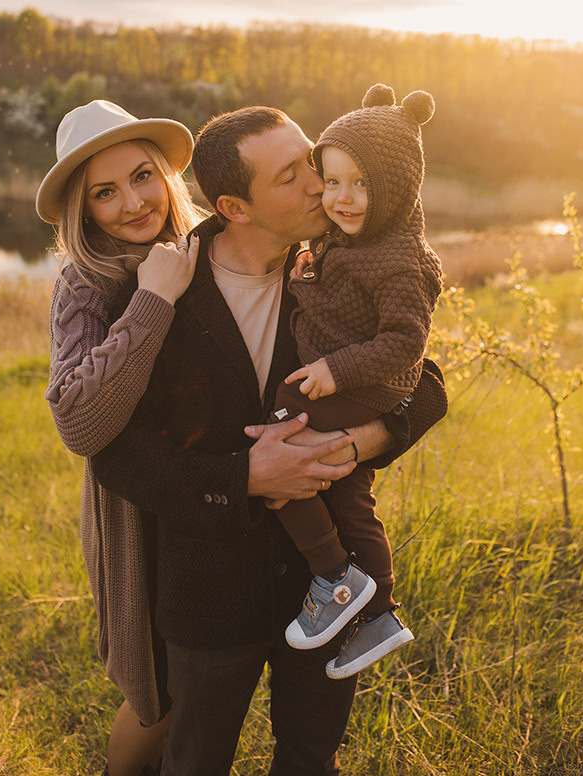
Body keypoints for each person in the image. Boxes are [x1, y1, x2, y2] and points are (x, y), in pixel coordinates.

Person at [91, 104, 448, 776]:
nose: (321, 184)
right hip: (210, 588)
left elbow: (424, 382)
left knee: (310, 758)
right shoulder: (161, 290)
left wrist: (362, 442)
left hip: (332, 585)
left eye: (313, 161)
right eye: (293, 176)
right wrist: (242, 479)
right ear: (236, 206)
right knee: (195, 759)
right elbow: (118, 453)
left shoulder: (341, 263)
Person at [35, 99, 207, 776]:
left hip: (228, 497)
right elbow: (79, 420)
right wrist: (153, 299)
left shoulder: (214, 252)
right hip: (140, 516)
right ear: (84, 211)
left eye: (141, 176)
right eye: (105, 193)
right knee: (156, 697)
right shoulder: (84, 284)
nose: (133, 203)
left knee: (209, 684)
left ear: (165, 175)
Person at [269, 83, 443, 678]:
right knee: (347, 493)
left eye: (362, 183)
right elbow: (334, 304)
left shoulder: (397, 257)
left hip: (368, 386)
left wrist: (332, 371)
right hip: (350, 380)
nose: (342, 197)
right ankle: (378, 614)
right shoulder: (349, 237)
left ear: (395, 186)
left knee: (281, 444)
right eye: (333, 179)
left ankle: (335, 578)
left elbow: (405, 342)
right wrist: (303, 275)